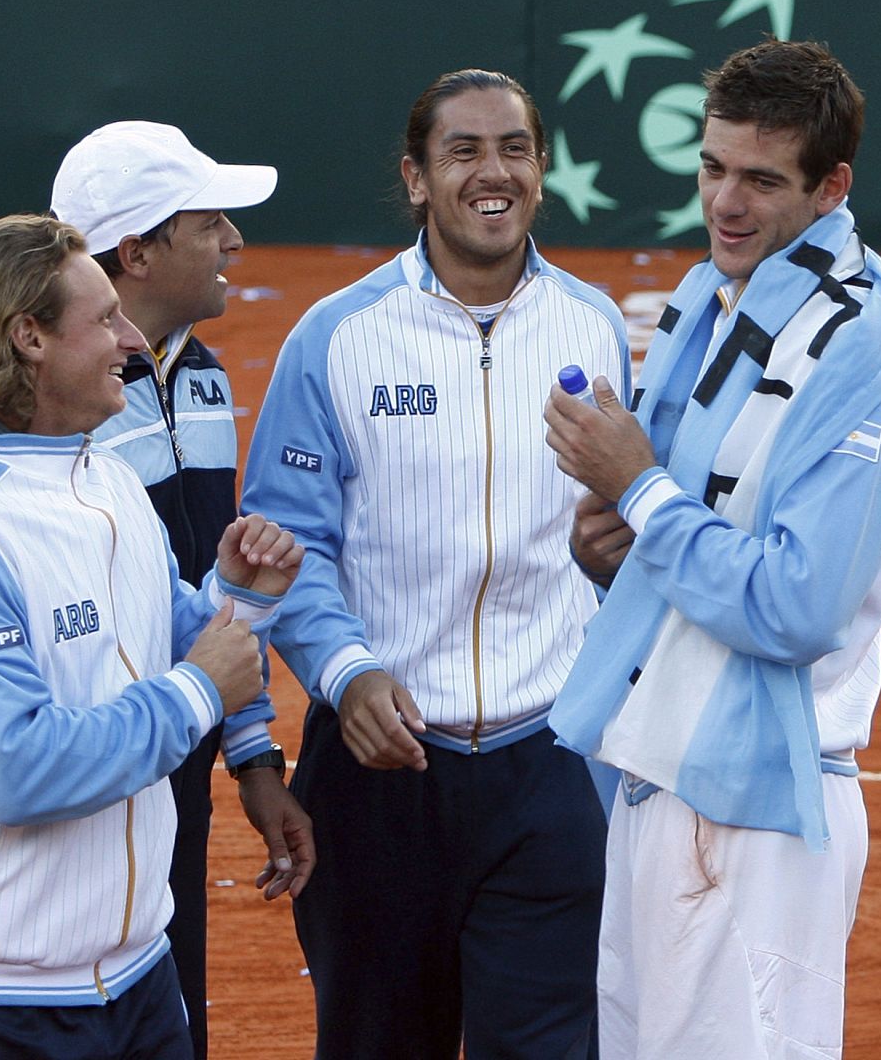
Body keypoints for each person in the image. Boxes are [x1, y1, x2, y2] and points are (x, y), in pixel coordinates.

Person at [0, 214, 303, 1059]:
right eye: (103, 320)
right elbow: (15, 770)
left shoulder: (107, 483)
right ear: (29, 338)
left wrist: (241, 599)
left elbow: (180, 642)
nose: (132, 339)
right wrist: (202, 688)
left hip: (134, 980)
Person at [544, 39, 881, 1058]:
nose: (726, 202)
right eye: (713, 169)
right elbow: (673, 539)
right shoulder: (711, 294)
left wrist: (640, 489)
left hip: (761, 802)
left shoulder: (856, 334)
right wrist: (612, 549)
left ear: (830, 185)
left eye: (761, 179)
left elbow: (798, 604)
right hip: (657, 768)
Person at [240, 69, 630, 1058]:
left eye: (514, 148)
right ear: (416, 178)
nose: (491, 173)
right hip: (377, 774)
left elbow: (618, 528)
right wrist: (347, 671)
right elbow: (288, 541)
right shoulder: (335, 337)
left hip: (551, 766)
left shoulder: (597, 328)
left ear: (542, 169)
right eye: (463, 151)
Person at [51, 120, 314, 1059]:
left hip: (177, 767)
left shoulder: (200, 376)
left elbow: (214, 591)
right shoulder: (53, 406)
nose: (235, 242)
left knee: (172, 1023)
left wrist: (249, 757)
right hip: (85, 786)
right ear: (137, 252)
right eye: (210, 223)